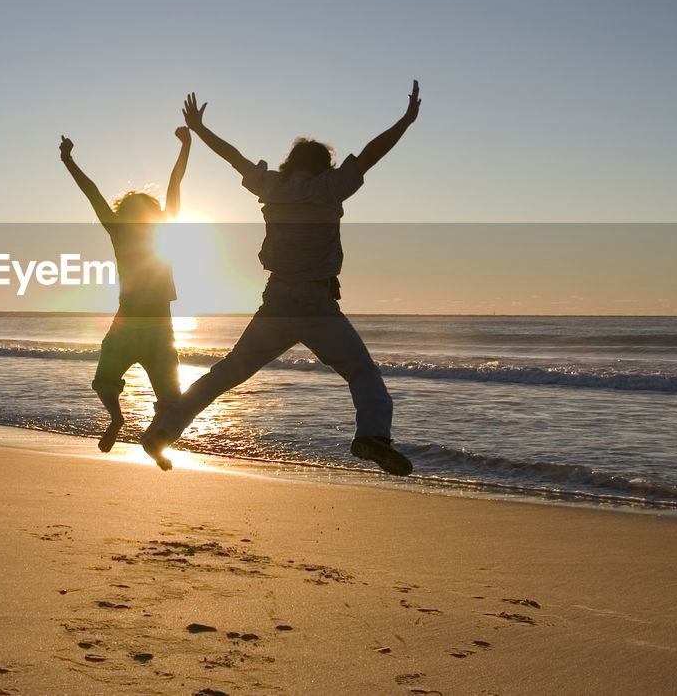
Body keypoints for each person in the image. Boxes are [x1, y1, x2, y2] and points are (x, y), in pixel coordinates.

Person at [141, 83, 422, 475]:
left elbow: (234, 158)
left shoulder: (273, 185)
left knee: (226, 373)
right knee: (362, 373)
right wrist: (406, 121)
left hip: (276, 302)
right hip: (317, 304)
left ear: (292, 161)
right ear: (324, 164)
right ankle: (372, 436)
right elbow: (372, 154)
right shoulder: (330, 186)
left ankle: (163, 432)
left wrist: (200, 130)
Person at [60, 128, 191, 455]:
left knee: (106, 382)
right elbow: (175, 184)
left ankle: (122, 421)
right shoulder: (161, 229)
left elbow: (92, 193)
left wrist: (69, 160)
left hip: (129, 327)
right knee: (171, 399)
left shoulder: (120, 231)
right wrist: (186, 146)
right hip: (159, 329)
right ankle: (143, 433)